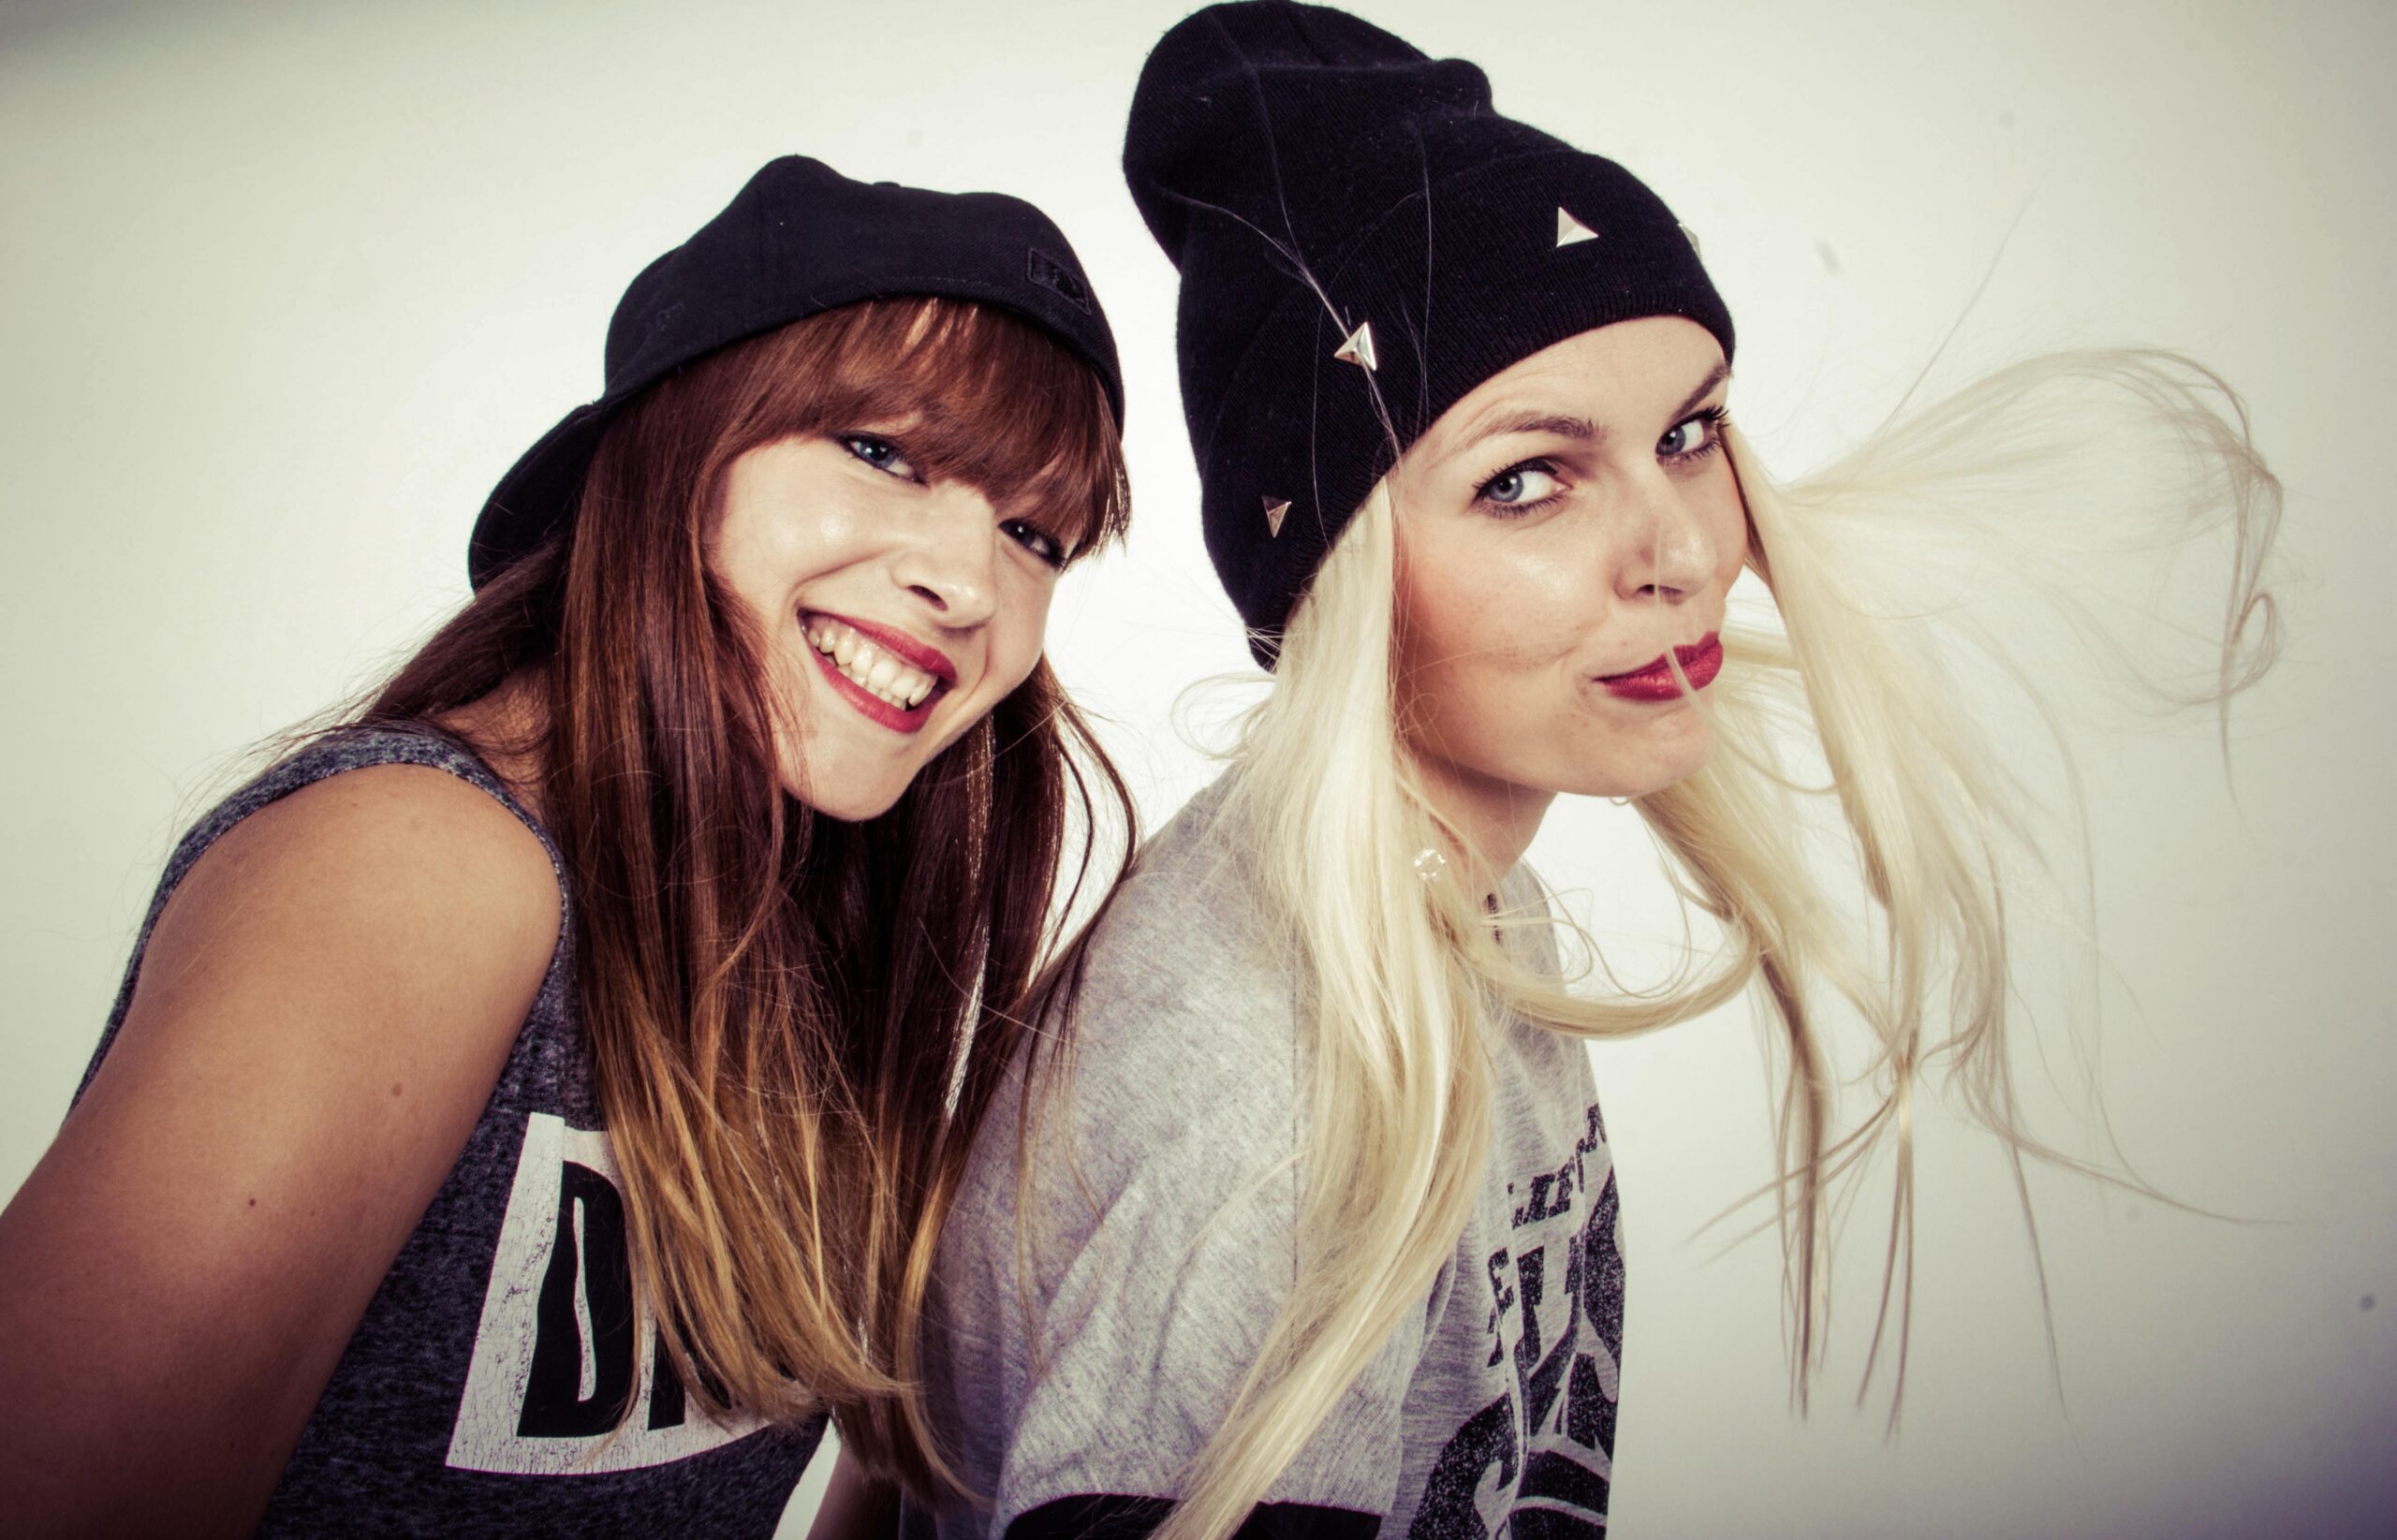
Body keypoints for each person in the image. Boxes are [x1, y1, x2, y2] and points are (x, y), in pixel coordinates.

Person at [896, 6, 2283, 1538]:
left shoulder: (1456, 910)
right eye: (1526, 478)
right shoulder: (1282, 1094)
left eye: (1690, 433)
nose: (1680, 552)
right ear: (1329, 569)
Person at [0, 154, 1133, 1536]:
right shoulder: (417, 864)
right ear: (678, 451)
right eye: (882, 453)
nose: (968, 585)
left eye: (1034, 534)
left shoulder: (806, 945)